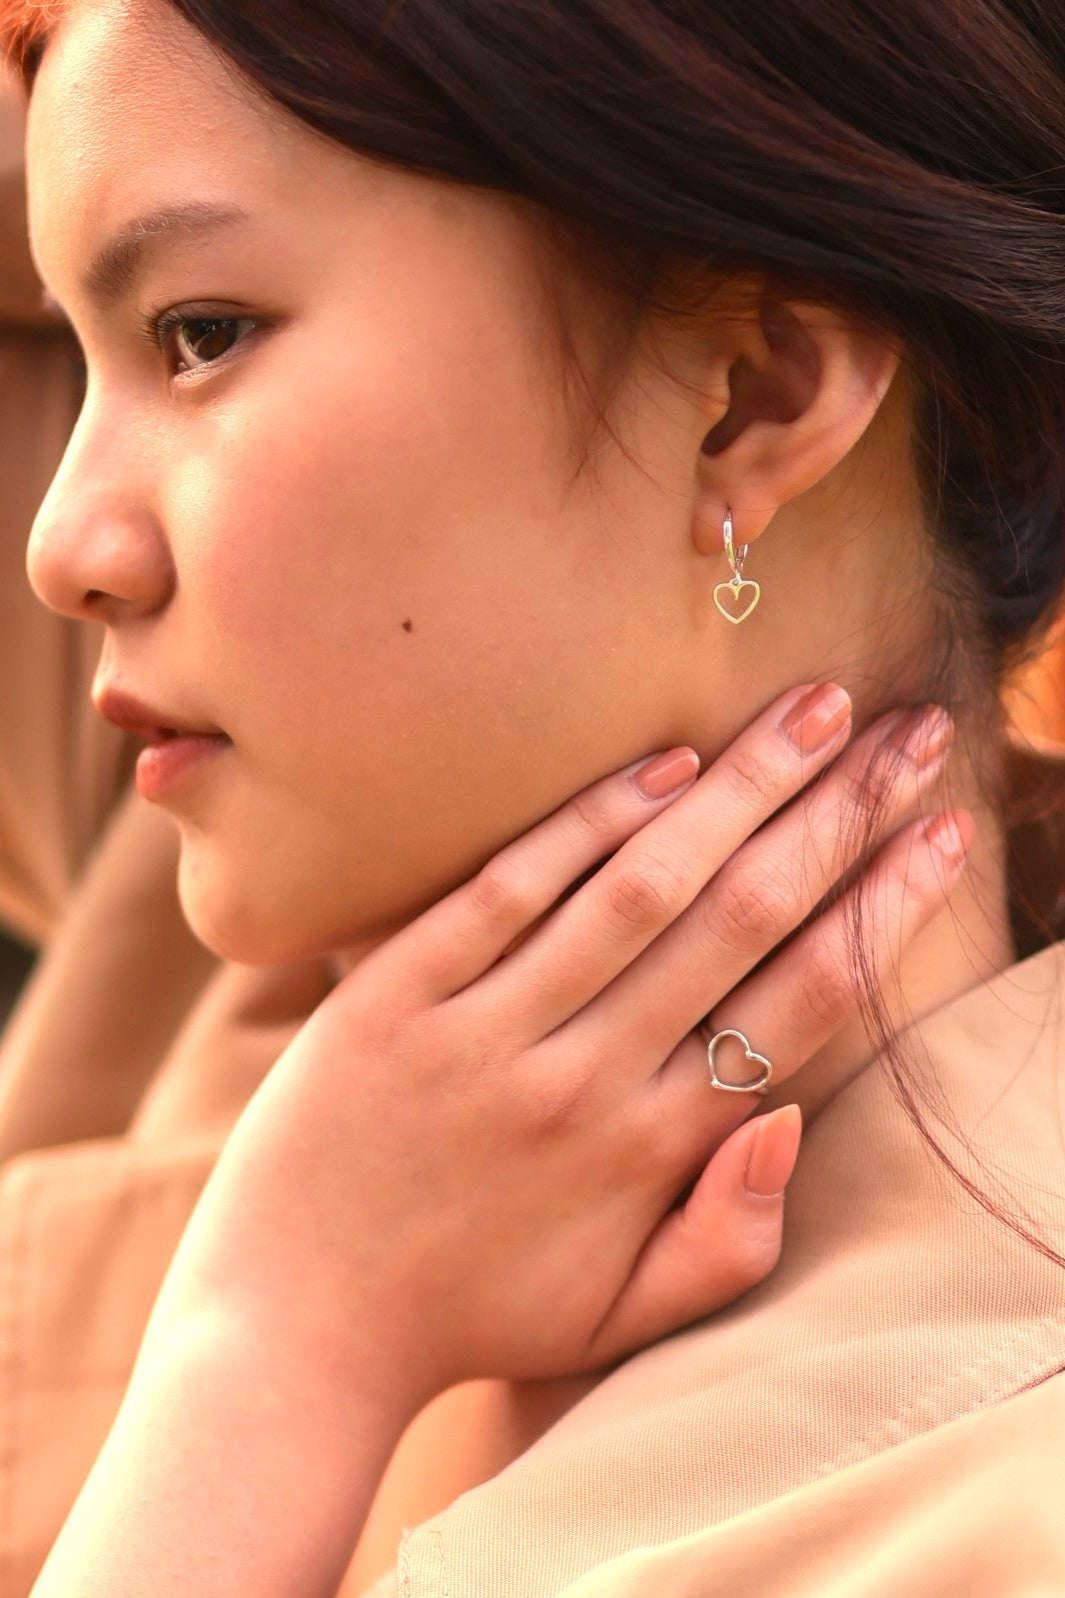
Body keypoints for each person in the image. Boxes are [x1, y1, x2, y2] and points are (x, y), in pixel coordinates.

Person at [3, 1, 1065, 1594]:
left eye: (199, 334)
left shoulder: (969, 1516)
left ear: (753, 392)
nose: (67, 548)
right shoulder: (230, 938)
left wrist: (277, 1344)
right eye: (82, 354)